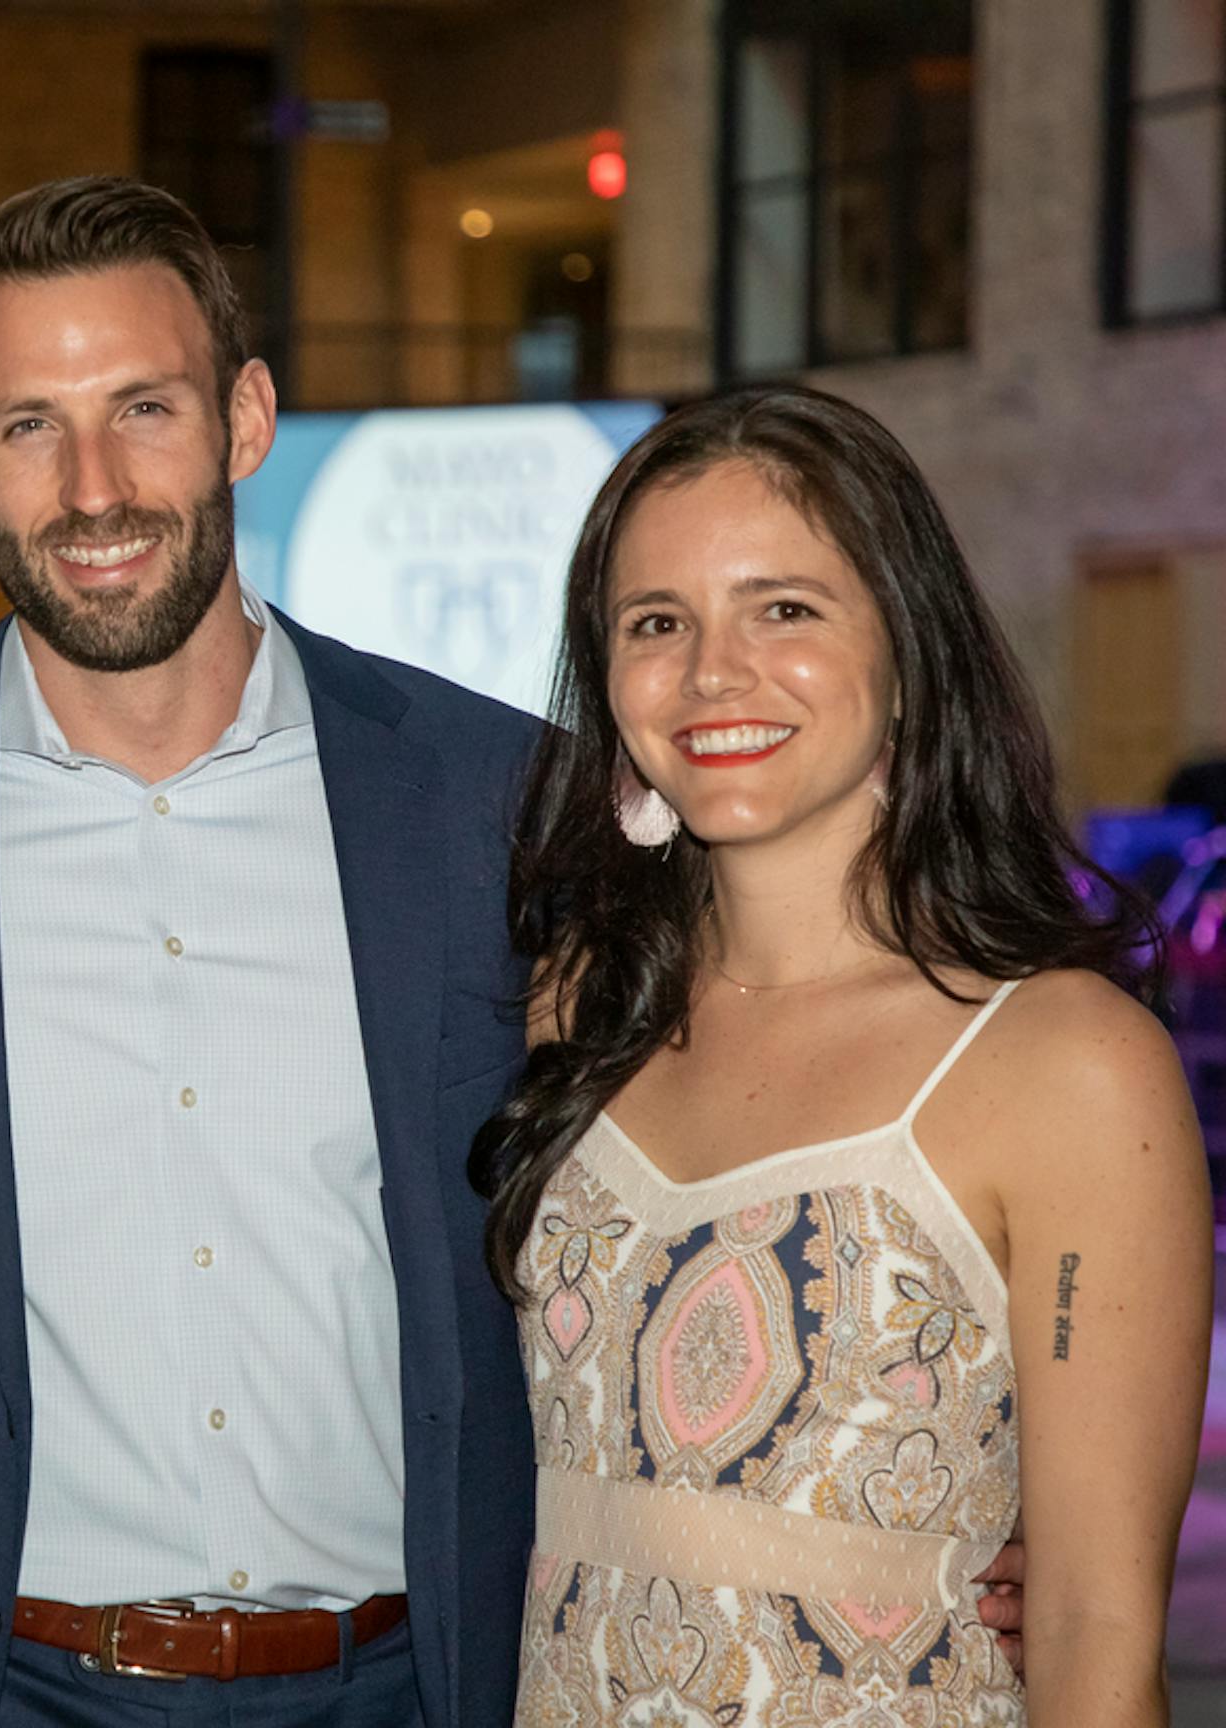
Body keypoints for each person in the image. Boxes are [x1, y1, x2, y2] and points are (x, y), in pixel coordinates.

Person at [0, 175, 545, 1724]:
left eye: (143, 407)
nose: (93, 488)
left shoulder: (489, 802)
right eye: (28, 426)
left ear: (247, 417)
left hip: (412, 1685)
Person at [474, 385, 1208, 1725]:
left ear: (909, 651)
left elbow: (1102, 1633)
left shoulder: (1066, 1064)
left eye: (785, 608)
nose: (712, 672)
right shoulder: (576, 1007)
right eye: (657, 623)